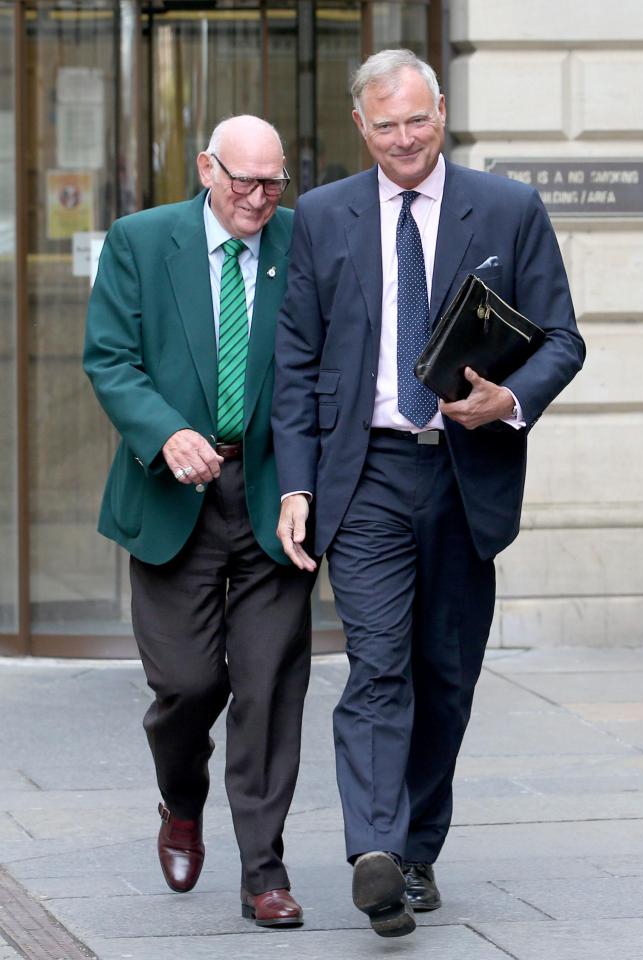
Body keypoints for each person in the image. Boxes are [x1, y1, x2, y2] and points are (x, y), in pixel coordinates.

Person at [272, 50, 585, 938]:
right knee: (377, 665)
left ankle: (416, 851)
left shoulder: (510, 208)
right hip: (365, 473)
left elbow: (563, 338)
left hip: (463, 471)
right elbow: (295, 364)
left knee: (445, 675)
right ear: (359, 126)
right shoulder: (325, 217)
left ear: (440, 112)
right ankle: (374, 850)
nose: (403, 139)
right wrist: (297, 484)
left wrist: (509, 400)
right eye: (384, 124)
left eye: (416, 119)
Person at [83, 116, 316, 928]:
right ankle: (181, 799)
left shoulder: (303, 239)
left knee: (268, 687)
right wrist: (164, 431)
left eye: (273, 183)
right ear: (205, 169)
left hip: (274, 493)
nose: (259, 199)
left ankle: (265, 872)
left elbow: (323, 361)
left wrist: (306, 483)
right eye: (244, 182)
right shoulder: (141, 241)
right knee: (186, 683)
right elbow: (110, 357)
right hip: (172, 489)